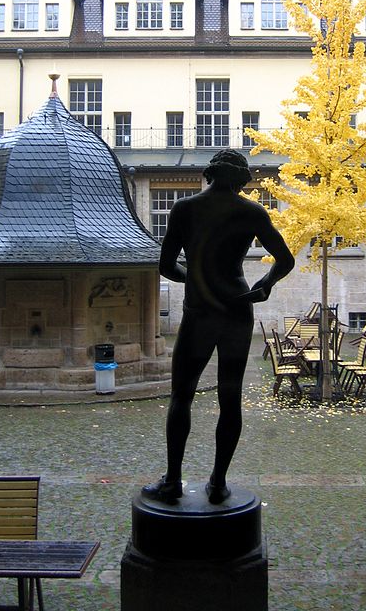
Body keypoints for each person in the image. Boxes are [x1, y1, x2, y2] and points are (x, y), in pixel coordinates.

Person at [142, 149, 295, 504]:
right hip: (236, 310)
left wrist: (195, 280)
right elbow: (285, 260)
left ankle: (173, 481)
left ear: (210, 174)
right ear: (242, 179)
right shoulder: (252, 212)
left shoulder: (184, 208)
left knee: (182, 395)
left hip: (200, 310)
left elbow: (166, 266)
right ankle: (218, 482)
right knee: (230, 398)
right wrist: (264, 285)